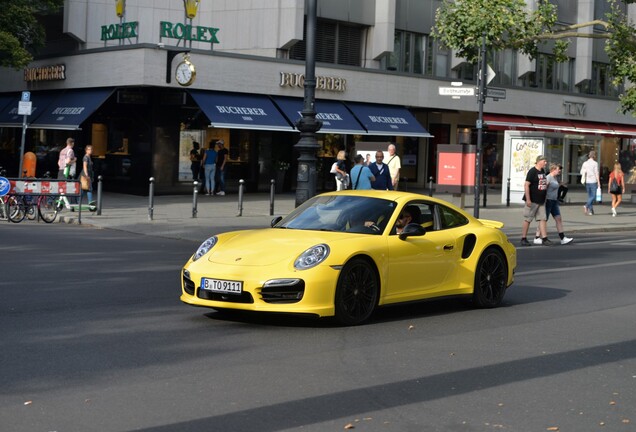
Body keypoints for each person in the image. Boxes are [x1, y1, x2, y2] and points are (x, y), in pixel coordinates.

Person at [533, 163, 573, 245]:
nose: (560, 171)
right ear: (553, 170)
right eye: (558, 169)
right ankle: (537, 237)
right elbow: (544, 189)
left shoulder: (555, 178)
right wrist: (542, 199)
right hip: (548, 201)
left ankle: (563, 238)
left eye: (560, 169)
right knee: (543, 220)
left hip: (554, 201)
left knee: (558, 218)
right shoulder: (548, 178)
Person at [520, 155, 551, 246]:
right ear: (539, 161)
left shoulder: (542, 171)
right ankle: (523, 238)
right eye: (544, 161)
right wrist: (528, 199)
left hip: (541, 200)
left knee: (542, 219)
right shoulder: (532, 171)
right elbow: (526, 185)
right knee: (528, 219)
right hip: (533, 200)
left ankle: (544, 238)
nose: (546, 163)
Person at [581, 150, 600, 215]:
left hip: (587, 181)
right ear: (594, 156)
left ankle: (591, 211)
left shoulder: (585, 163)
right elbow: (596, 173)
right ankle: (586, 206)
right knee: (593, 196)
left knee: (590, 196)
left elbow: (582, 172)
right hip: (593, 181)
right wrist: (599, 182)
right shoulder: (595, 163)